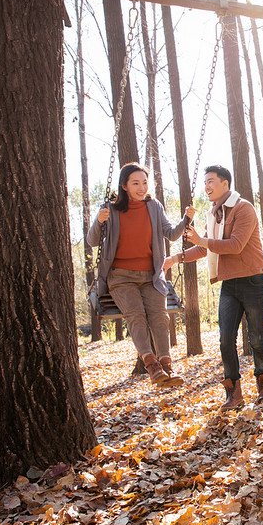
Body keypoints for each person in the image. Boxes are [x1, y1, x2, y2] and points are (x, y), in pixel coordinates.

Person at [164, 166, 263, 410]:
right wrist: (174, 259)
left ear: (225, 183)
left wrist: (202, 241)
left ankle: (262, 382)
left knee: (255, 339)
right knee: (225, 339)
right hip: (229, 284)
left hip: (253, 280)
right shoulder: (213, 214)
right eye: (205, 183)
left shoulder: (244, 208)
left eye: (210, 181)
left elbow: (235, 245)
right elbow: (204, 248)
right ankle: (234, 393)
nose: (207, 187)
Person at [88, 162, 196, 388]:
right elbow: (93, 241)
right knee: (136, 316)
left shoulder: (154, 206)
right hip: (120, 277)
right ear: (124, 186)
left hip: (151, 276)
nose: (141, 187)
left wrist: (187, 219)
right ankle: (152, 366)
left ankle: (167, 367)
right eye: (135, 183)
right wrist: (99, 221)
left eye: (144, 183)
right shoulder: (112, 208)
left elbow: (171, 234)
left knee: (160, 317)